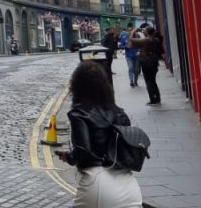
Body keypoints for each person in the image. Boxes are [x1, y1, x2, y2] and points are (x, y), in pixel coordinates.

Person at [55, 61, 144, 208]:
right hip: (129, 186)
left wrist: (69, 157)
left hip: (98, 184)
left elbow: (83, 150)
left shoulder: (79, 114)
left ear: (77, 85)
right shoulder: (119, 113)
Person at [130, 27, 164, 105]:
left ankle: (152, 99)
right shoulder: (156, 40)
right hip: (154, 62)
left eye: (144, 30)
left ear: (148, 32)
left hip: (147, 63)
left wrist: (133, 31)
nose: (143, 31)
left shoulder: (146, 40)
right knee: (153, 81)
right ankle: (158, 98)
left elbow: (131, 39)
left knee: (148, 82)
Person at [120, 23, 141, 88]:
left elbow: (140, 44)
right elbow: (121, 46)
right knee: (130, 67)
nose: (131, 29)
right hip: (129, 55)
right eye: (129, 28)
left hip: (136, 55)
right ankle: (131, 81)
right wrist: (126, 46)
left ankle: (135, 81)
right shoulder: (124, 36)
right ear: (127, 28)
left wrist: (139, 51)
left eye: (132, 28)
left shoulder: (137, 36)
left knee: (136, 69)